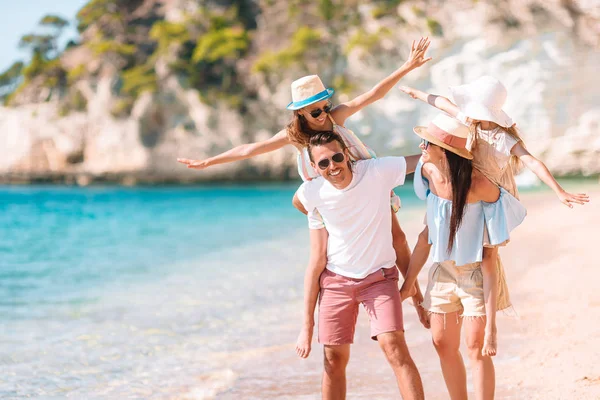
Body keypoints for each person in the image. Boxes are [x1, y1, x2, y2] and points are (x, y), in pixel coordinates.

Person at [177, 37, 432, 279]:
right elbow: (251, 149)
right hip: (332, 190)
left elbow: (375, 94)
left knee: (396, 237)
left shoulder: (336, 118)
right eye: (314, 111)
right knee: (317, 230)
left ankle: (413, 293)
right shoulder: (295, 135)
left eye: (324, 107)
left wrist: (407, 66)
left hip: (364, 180)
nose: (322, 115)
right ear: (300, 112)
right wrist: (208, 162)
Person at [398, 76, 589, 353]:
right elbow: (443, 104)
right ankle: (421, 289)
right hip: (463, 188)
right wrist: (415, 92)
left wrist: (559, 191)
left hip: (489, 197)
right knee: (433, 233)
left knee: (487, 256)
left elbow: (532, 161)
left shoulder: (503, 138)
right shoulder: (469, 122)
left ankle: (490, 326)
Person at [399, 113, 526, 400]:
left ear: (445, 151)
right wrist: (408, 283)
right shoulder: (428, 173)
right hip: (442, 272)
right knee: (441, 342)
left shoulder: (481, 186)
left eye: (426, 143)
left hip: (475, 274)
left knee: (476, 345)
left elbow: (490, 258)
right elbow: (424, 238)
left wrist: (492, 327)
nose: (420, 148)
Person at [294, 130, 425, 399]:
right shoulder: (313, 193)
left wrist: (437, 148)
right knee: (333, 359)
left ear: (347, 155)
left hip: (379, 279)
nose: (333, 166)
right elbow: (300, 204)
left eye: (337, 157)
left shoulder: (376, 172)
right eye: (323, 163)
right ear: (315, 168)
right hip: (335, 283)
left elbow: (421, 161)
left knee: (394, 347)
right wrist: (307, 326)